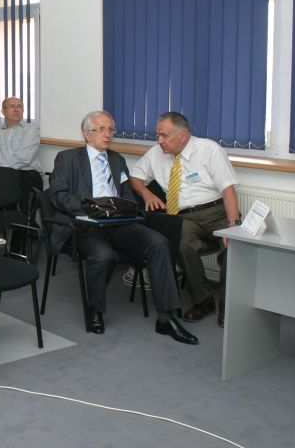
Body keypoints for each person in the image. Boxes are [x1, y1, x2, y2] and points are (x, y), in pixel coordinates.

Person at [48, 110, 197, 344]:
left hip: (118, 223)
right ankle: (95, 310)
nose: (108, 134)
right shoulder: (67, 159)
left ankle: (166, 318)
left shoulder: (117, 160)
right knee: (103, 255)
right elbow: (58, 195)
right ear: (87, 134)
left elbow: (127, 195)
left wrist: (123, 209)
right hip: (86, 225)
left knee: (159, 242)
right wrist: (92, 208)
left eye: (111, 129)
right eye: (101, 129)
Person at [130, 111, 240, 328]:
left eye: (164, 135)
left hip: (216, 212)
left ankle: (229, 307)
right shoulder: (156, 153)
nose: (159, 140)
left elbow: (228, 189)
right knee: (182, 245)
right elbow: (135, 176)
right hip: (185, 217)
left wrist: (233, 225)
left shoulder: (209, 150)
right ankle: (203, 301)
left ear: (182, 135)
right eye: (158, 135)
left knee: (233, 249)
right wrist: (147, 194)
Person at [0, 97, 44, 203]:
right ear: (3, 111)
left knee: (12, 192)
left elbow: (24, 158)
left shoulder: (31, 129)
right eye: (12, 106)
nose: (16, 110)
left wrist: (0, 172)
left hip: (24, 173)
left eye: (19, 106)